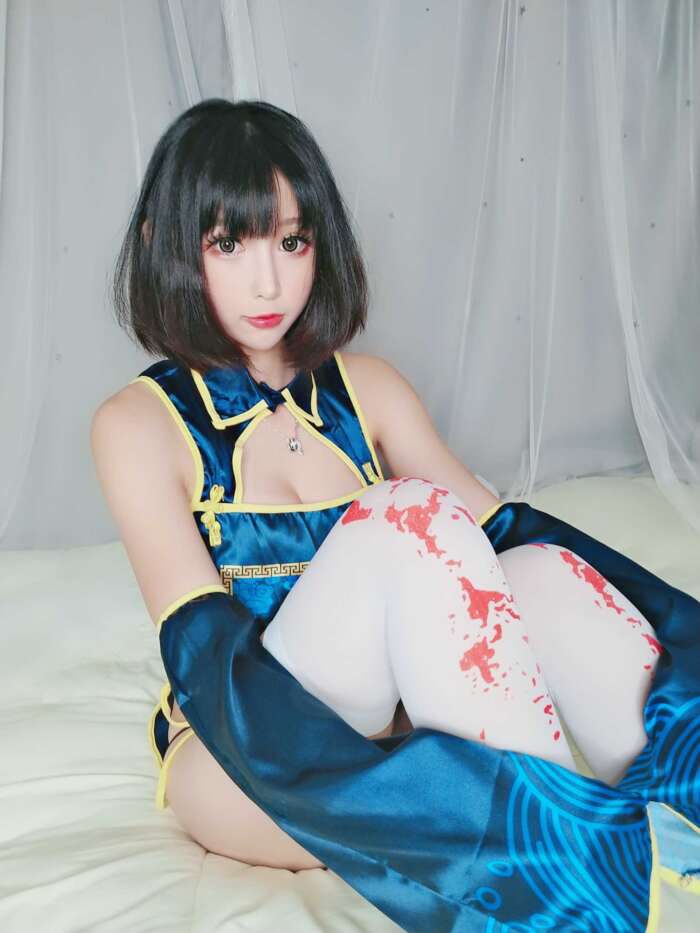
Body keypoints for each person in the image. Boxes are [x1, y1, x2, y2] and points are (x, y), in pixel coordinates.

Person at [91, 98, 698, 931]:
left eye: (292, 242)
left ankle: (673, 798)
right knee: (408, 517)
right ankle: (565, 875)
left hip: (398, 719)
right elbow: (203, 649)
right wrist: (389, 781)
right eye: (228, 244)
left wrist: (681, 631)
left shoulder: (368, 388)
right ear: (165, 243)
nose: (268, 283)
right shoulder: (137, 424)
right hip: (243, 750)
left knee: (538, 568)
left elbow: (511, 537)